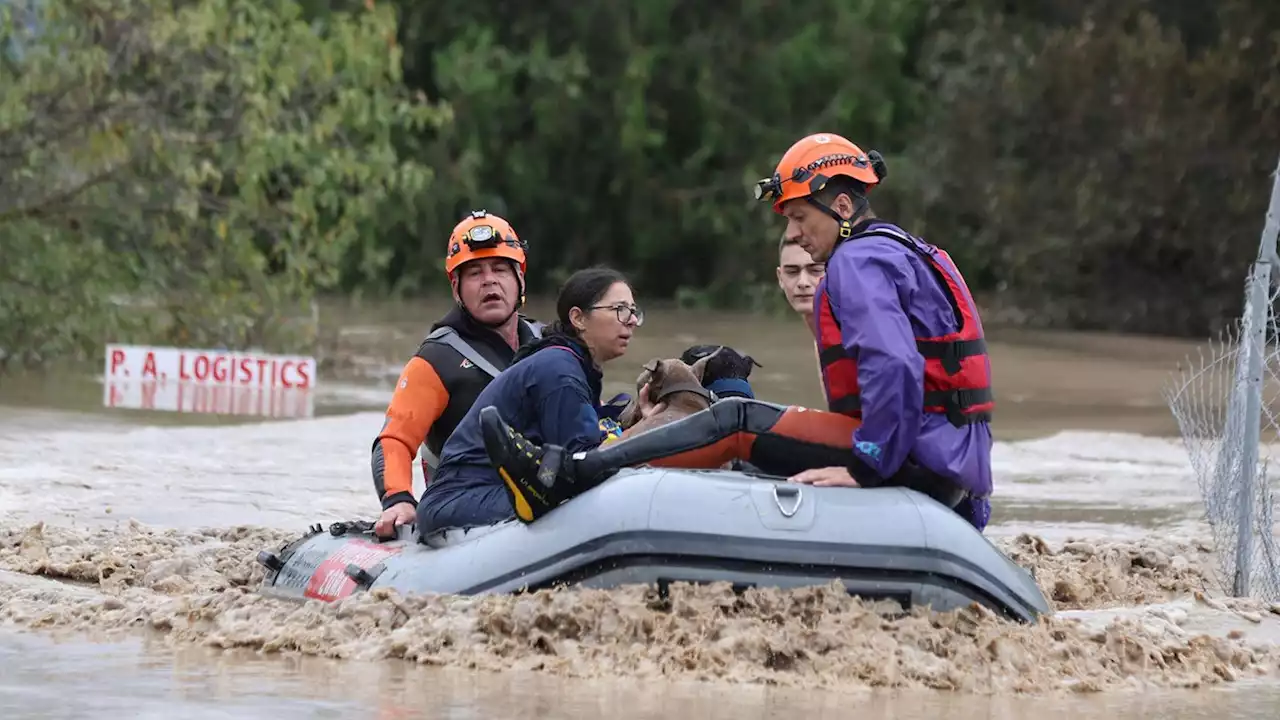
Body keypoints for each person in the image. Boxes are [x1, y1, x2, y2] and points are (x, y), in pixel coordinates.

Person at [481, 133, 994, 532]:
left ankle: (567, 476)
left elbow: (896, 365)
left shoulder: (856, 260)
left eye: (798, 217)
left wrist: (867, 468)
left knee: (735, 419)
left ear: (841, 208)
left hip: (910, 456)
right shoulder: (908, 250)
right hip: (947, 465)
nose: (792, 233)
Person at [416, 266, 657, 532]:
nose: (631, 320)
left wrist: (641, 423)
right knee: (576, 497)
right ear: (578, 318)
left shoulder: (572, 365)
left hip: (484, 494)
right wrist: (648, 432)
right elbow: (586, 463)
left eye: (633, 311)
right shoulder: (560, 369)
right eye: (620, 310)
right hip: (460, 500)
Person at [369, 210, 543, 538]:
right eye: (474, 273)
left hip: (543, 489)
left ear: (520, 278)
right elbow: (395, 440)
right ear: (456, 288)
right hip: (464, 507)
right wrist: (398, 499)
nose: (489, 280)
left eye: (500, 269)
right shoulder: (436, 360)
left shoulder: (550, 344)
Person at [776, 235, 826, 325]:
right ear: (780, 278)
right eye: (792, 272)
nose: (802, 282)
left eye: (816, 270)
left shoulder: (854, 335)